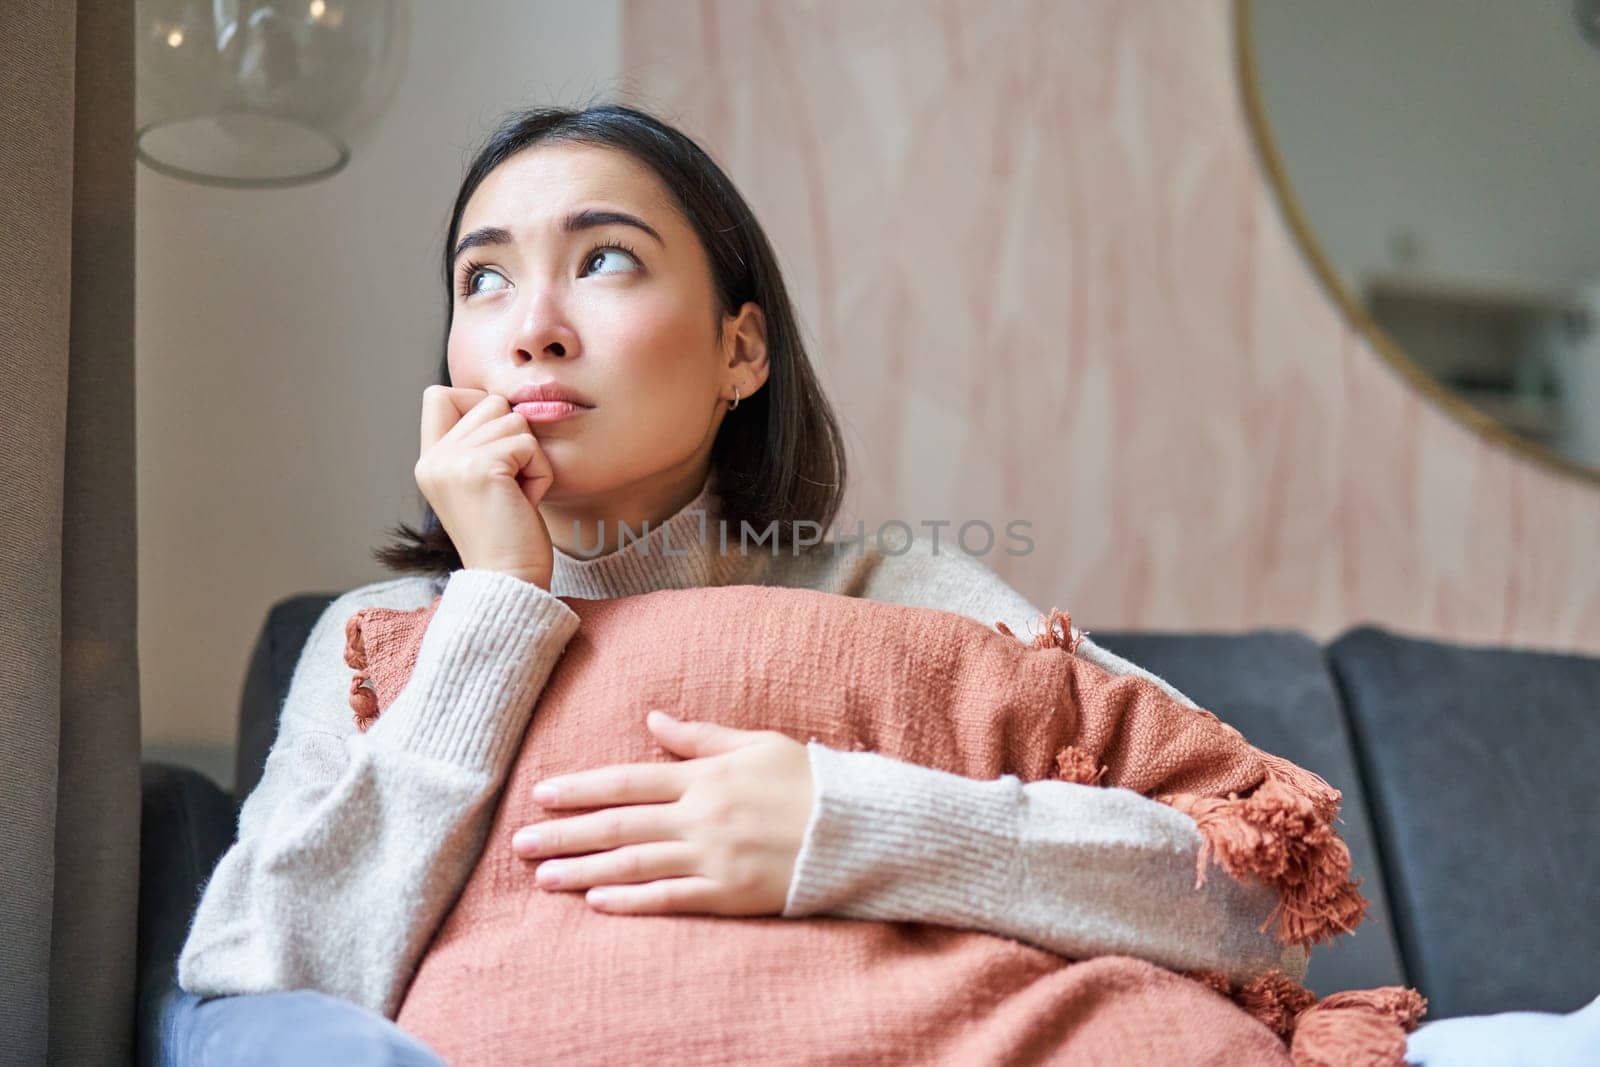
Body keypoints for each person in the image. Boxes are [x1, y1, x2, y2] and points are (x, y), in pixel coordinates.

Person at [173, 102, 1381, 1064]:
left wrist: (846, 827)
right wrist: (496, 601)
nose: (530, 325)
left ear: (740, 349)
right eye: (482, 279)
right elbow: (263, 988)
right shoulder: (379, 637)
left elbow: (1248, 895)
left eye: (603, 259)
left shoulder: (894, 588)